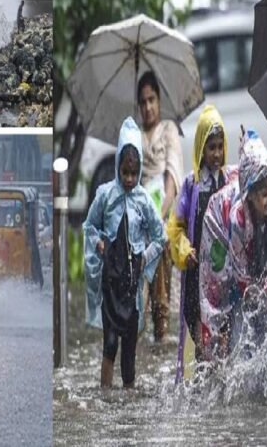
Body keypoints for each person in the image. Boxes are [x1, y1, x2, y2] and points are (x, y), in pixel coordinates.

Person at [198, 129, 267, 361]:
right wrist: (218, 328)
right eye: (264, 195)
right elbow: (243, 285)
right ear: (249, 196)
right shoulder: (233, 218)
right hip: (233, 278)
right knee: (237, 347)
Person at [84, 116, 167, 389]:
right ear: (118, 165)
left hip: (132, 286)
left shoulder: (144, 199)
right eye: (125, 172)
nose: (130, 179)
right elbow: (90, 226)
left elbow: (160, 235)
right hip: (111, 284)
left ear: (140, 168)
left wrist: (145, 257)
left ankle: (128, 404)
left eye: (134, 173)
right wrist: (98, 242)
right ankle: (105, 397)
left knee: (129, 354)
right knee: (110, 346)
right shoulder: (105, 195)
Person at [167, 105, 230, 363]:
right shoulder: (191, 186)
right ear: (200, 149)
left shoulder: (229, 182)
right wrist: (184, 250)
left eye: (220, 146)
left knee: (222, 342)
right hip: (195, 277)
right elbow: (175, 227)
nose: (216, 153)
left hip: (221, 277)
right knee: (200, 342)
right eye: (210, 147)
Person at [137, 71, 184, 342]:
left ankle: (161, 335)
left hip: (163, 217)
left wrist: (160, 214)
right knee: (138, 292)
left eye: (152, 100)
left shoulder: (168, 130)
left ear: (159, 100)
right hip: (139, 218)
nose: (148, 107)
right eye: (143, 102)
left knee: (161, 292)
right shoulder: (135, 134)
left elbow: (173, 177)